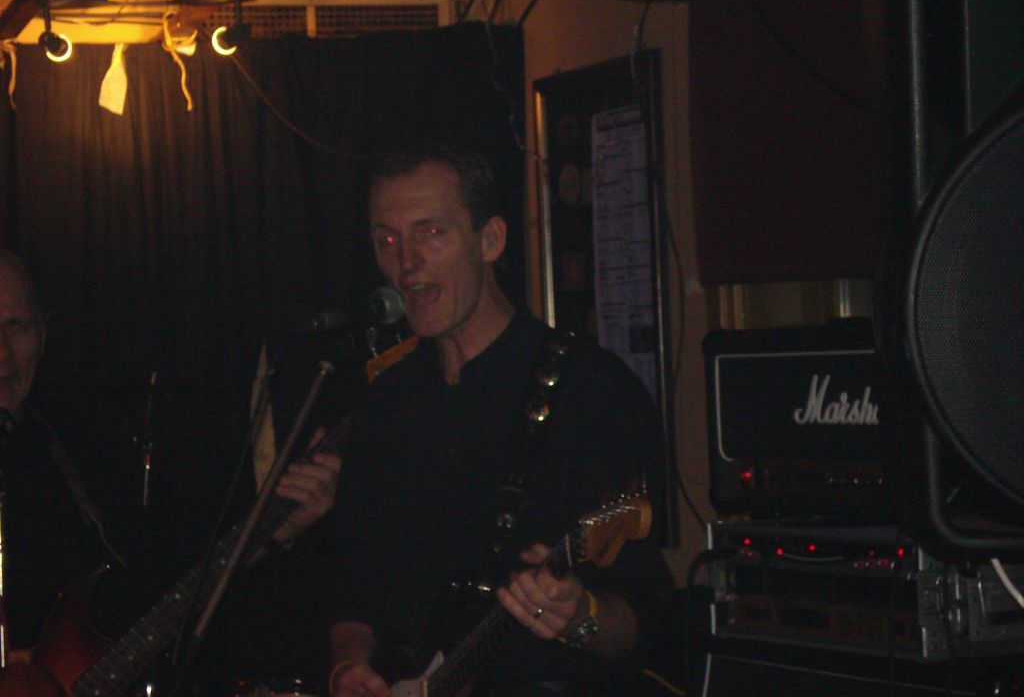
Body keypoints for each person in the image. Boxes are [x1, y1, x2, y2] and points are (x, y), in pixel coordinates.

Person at [328, 143, 674, 697]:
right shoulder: (383, 403)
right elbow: (353, 593)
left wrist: (579, 617)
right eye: (386, 240)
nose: (406, 262)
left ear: (490, 240)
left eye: (429, 232)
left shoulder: (590, 390)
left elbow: (645, 620)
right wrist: (348, 666)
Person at [0, 246, 340, 691]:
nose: (3, 353)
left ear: (44, 333)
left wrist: (276, 529)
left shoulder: (74, 452)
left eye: (17, 327)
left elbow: (172, 587)